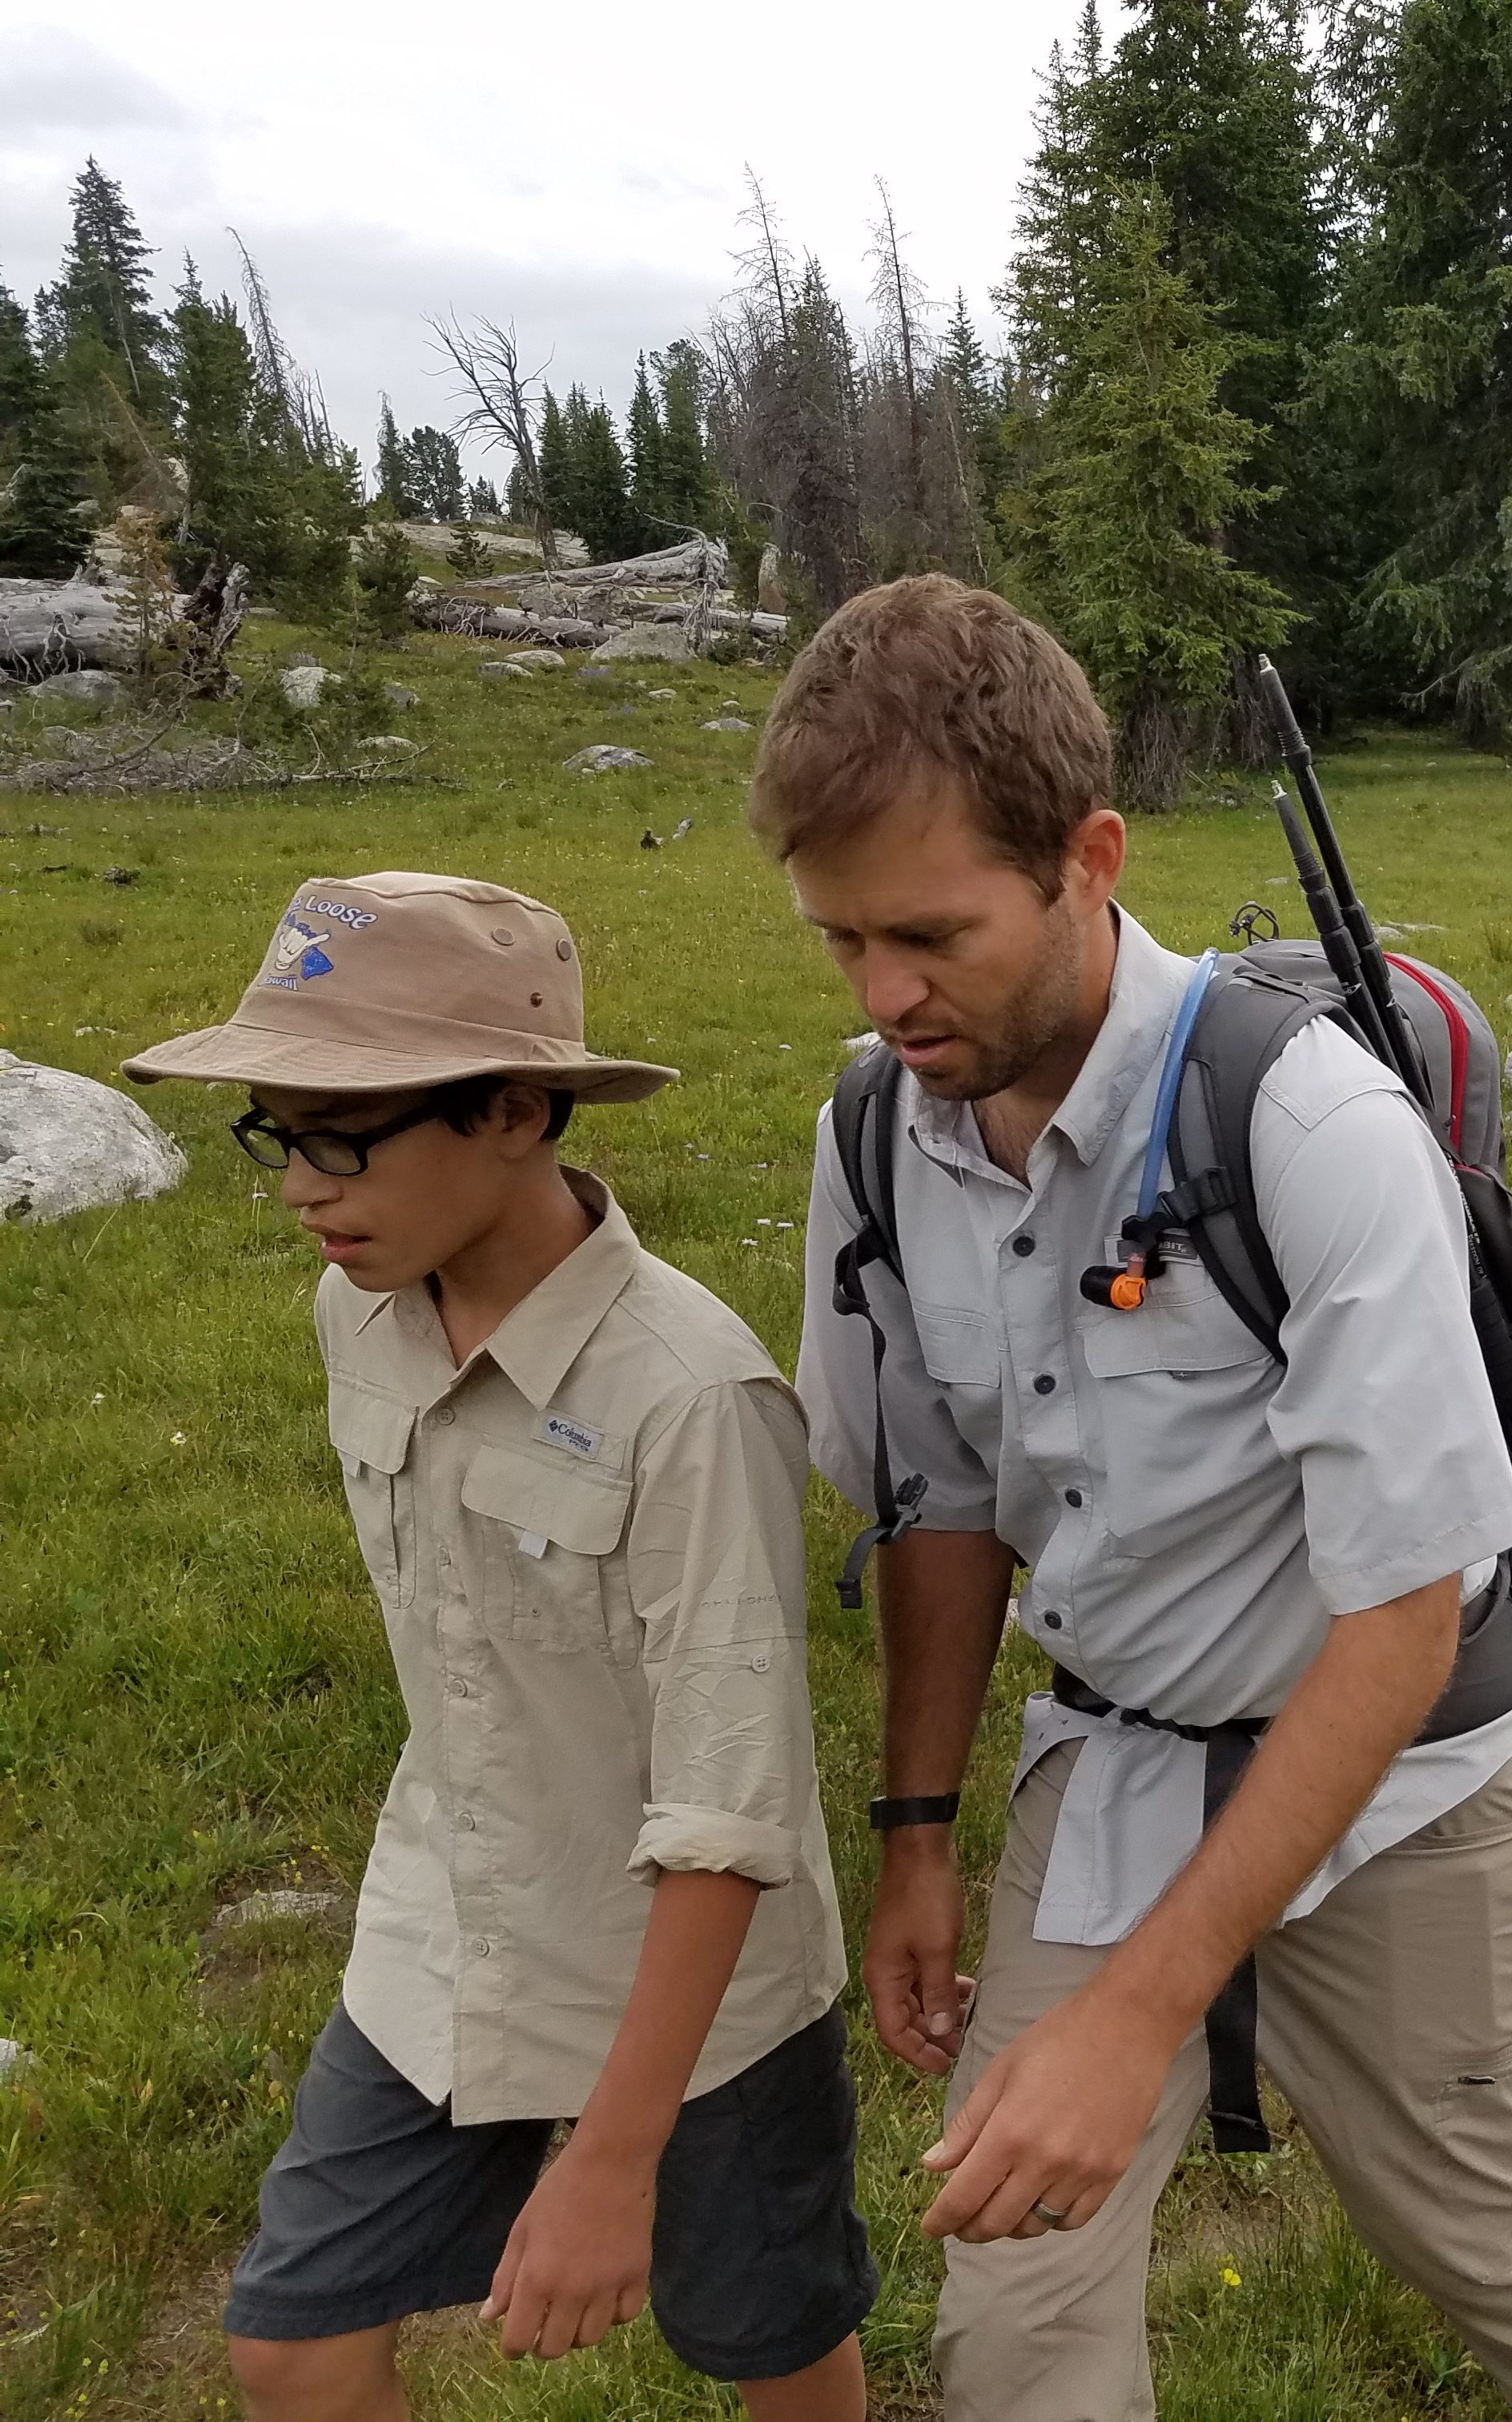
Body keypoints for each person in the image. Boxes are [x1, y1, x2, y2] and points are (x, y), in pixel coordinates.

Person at [760, 578, 1512, 2422]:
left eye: (929, 936)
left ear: (1089, 860)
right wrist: (924, 1830)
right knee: (1009, 2315)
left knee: (1480, 2234)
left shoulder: (1311, 1134)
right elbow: (940, 1496)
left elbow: (1407, 1619)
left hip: (1408, 1778)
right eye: (841, 941)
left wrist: (1134, 2014)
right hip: (1112, 1768)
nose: (883, 998)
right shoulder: (879, 1133)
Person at [120, 875, 871, 2419]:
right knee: (294, 2338)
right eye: (276, 1132)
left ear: (517, 1109)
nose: (300, 1189)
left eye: (342, 1133)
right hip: (443, 1928)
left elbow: (732, 1811)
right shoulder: (363, 1311)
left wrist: (611, 2156)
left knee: (769, 2342)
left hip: (694, 1984)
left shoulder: (691, 1395)